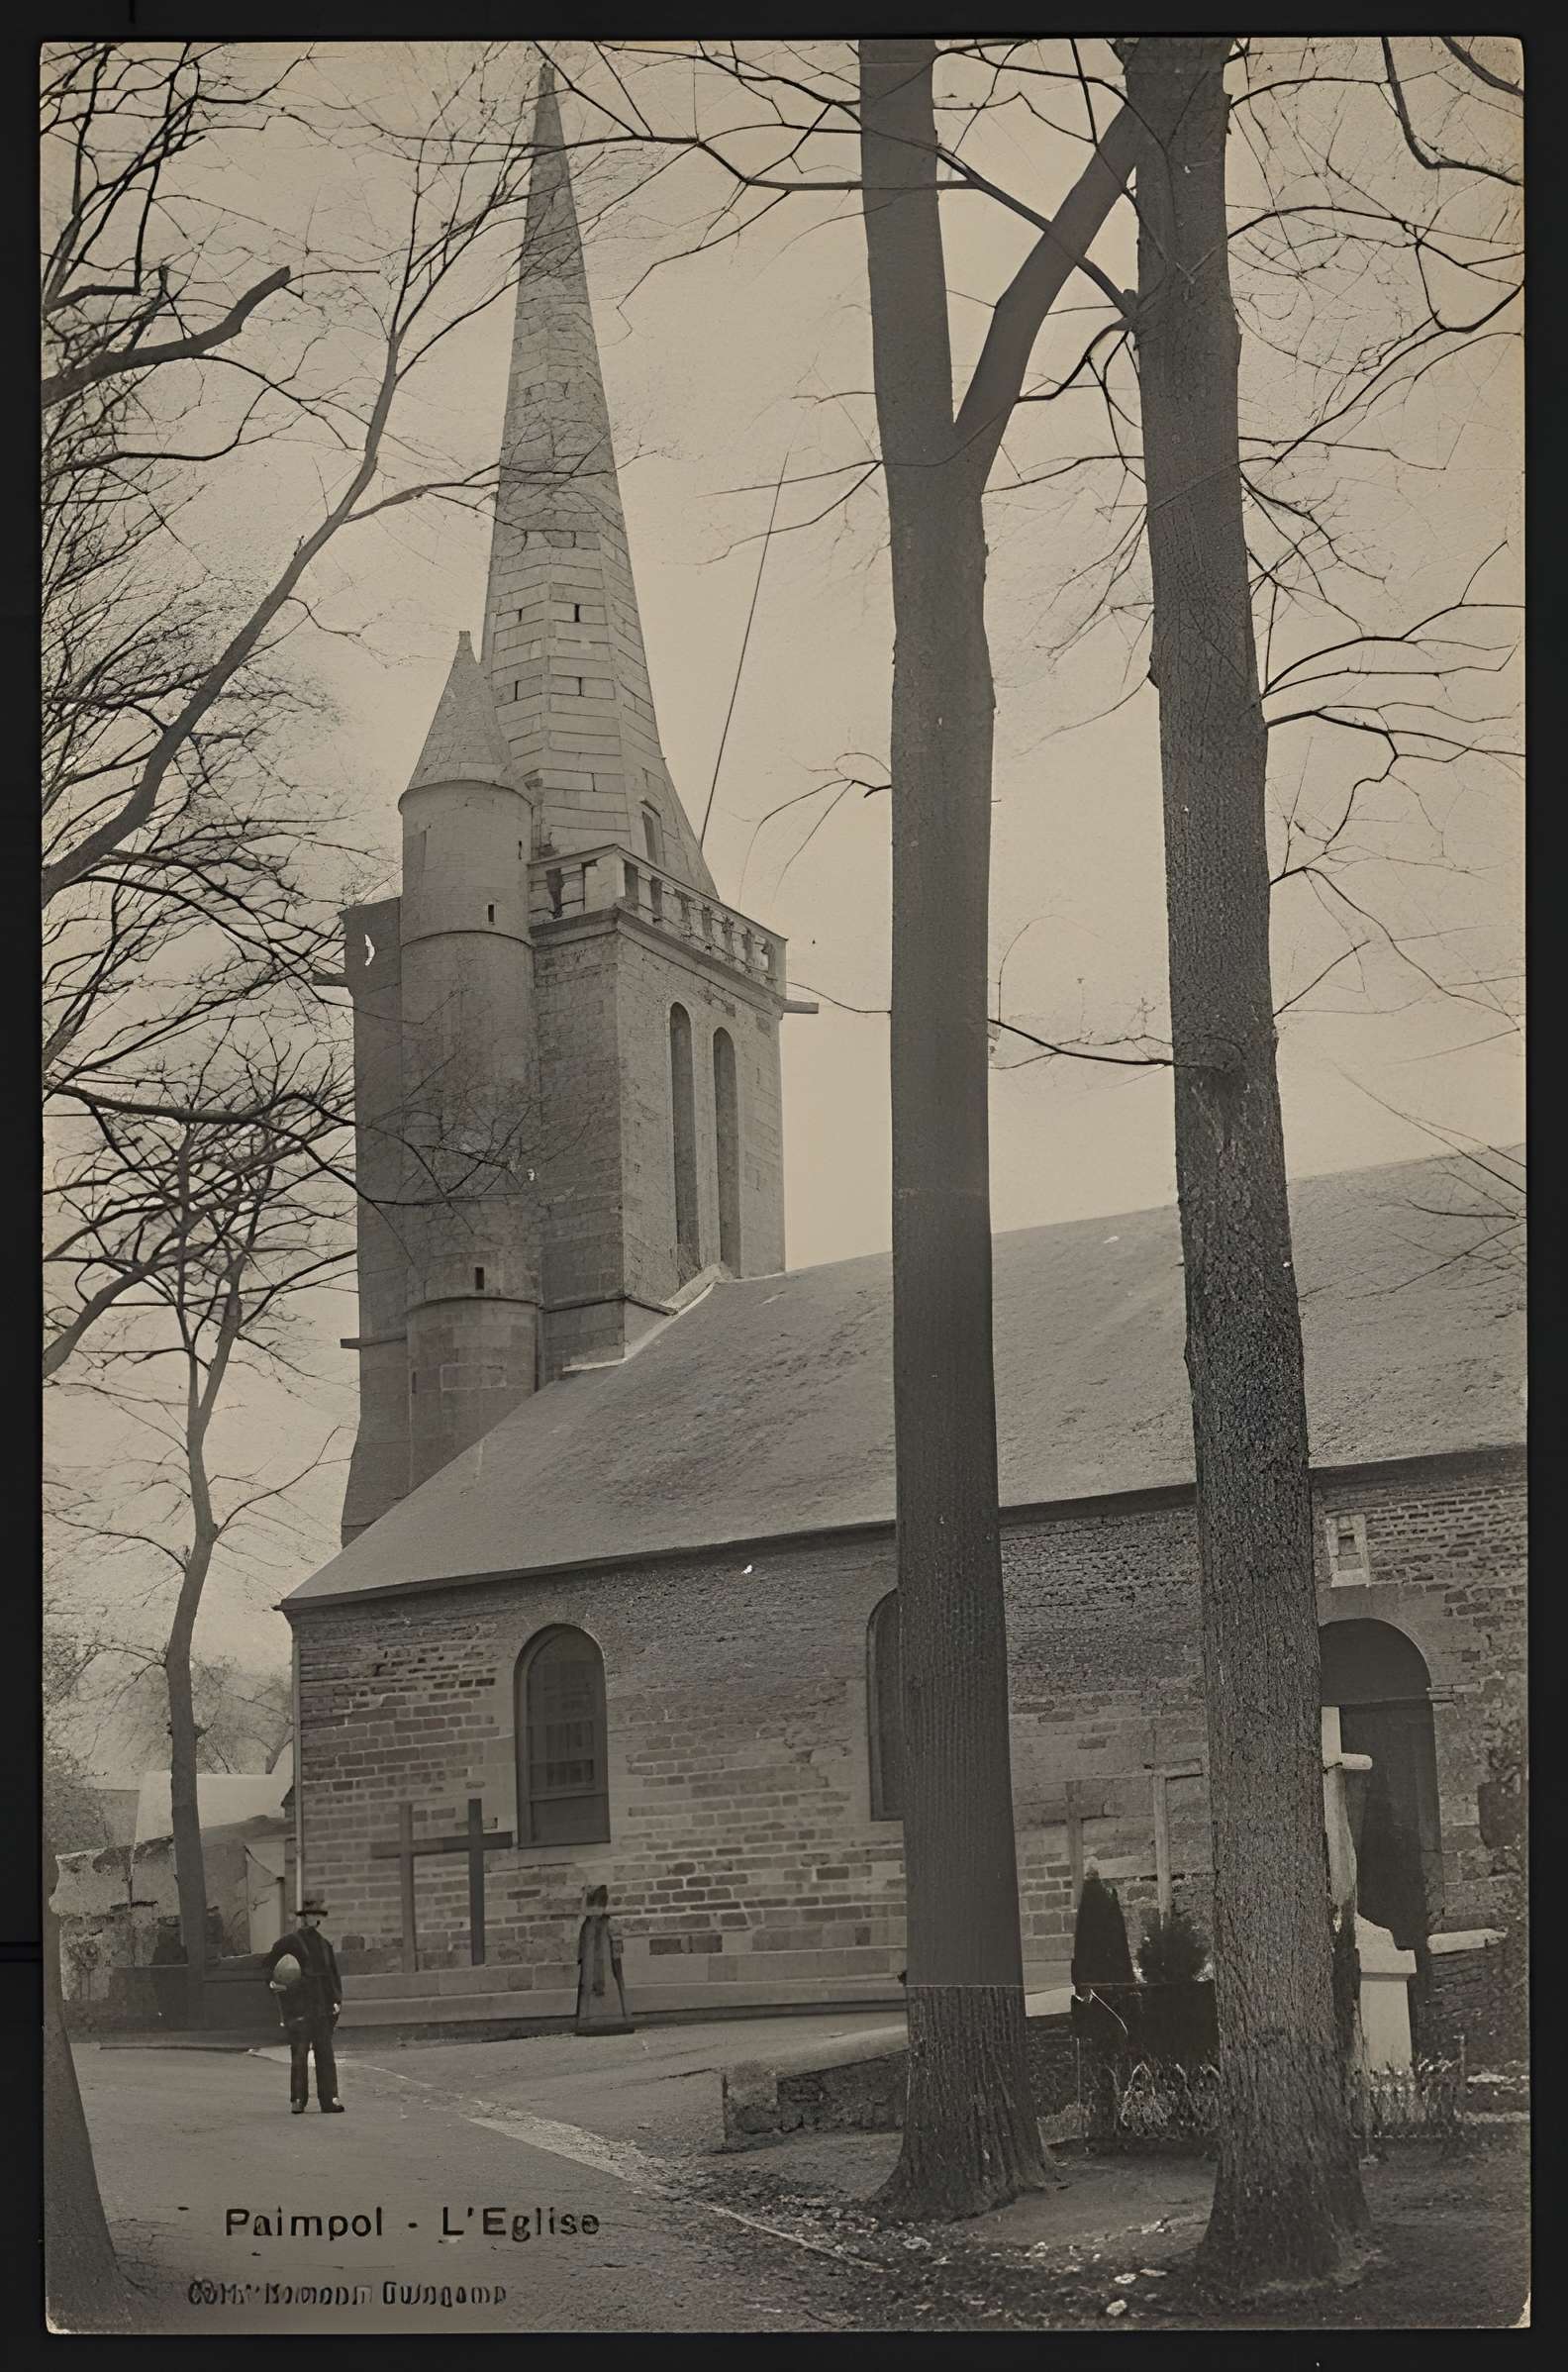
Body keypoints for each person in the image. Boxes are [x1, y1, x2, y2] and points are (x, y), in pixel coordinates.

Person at [265, 1897, 344, 2114]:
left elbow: (333, 1977)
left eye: (316, 1916)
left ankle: (330, 2099)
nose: (312, 1920)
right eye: (308, 1916)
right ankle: (298, 2099)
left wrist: (336, 2000)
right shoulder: (289, 1943)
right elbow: (270, 1966)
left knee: (325, 2053)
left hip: (321, 2006)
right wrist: (276, 1985)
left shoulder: (325, 1945)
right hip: (299, 2005)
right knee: (299, 2053)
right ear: (302, 1919)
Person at [574, 1885, 634, 2034]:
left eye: (597, 1908)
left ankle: (613, 2018)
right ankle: (588, 2020)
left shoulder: (608, 1922)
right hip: (590, 1964)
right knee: (588, 1986)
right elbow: (583, 1942)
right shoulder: (587, 1925)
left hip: (607, 1962)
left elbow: (616, 1942)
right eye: (592, 1908)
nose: (594, 1912)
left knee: (610, 1984)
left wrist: (615, 1955)